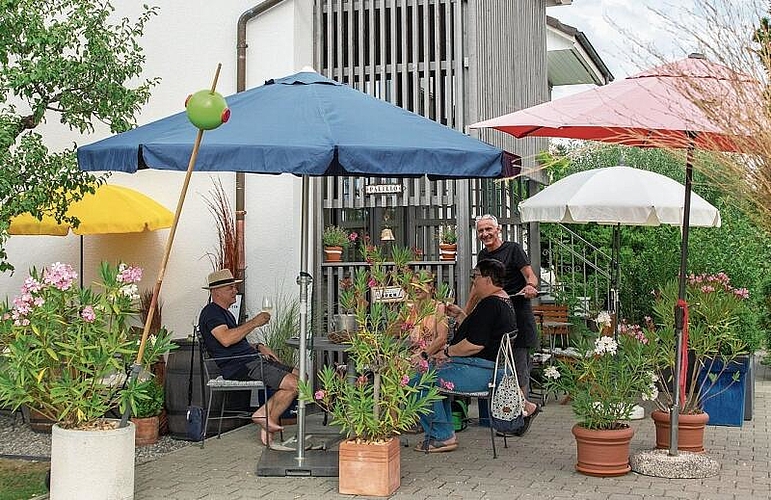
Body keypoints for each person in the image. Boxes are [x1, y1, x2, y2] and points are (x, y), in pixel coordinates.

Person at [412, 259, 516, 453]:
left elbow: (474, 345)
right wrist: (460, 315)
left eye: (475, 276)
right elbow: (482, 332)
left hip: (482, 370)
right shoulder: (502, 300)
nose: (473, 282)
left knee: (418, 380)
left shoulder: (490, 305)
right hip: (488, 367)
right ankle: (441, 432)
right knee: (431, 375)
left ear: (487, 278)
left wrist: (446, 352)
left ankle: (442, 437)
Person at [197, 269, 299, 446]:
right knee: (294, 384)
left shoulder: (225, 313)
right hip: (241, 366)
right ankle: (264, 416)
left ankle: (265, 417)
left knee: (301, 375)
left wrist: (259, 346)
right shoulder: (211, 313)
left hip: (251, 359)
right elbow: (226, 339)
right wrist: (254, 322)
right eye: (231, 288)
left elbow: (234, 341)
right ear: (216, 292)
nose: (235, 291)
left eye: (234, 287)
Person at [472, 213, 541, 434]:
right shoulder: (483, 256)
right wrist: (465, 311)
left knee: (519, 367)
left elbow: (531, 275)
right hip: (496, 321)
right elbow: (476, 288)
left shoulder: (513, 249)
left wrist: (530, 286)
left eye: (488, 229)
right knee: (502, 370)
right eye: (481, 231)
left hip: (518, 317)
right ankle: (514, 414)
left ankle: (519, 419)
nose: (485, 234)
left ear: (498, 229)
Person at [407, 271, 449, 364]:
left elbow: (442, 339)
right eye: (414, 285)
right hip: (413, 356)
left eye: (421, 284)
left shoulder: (439, 307)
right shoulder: (410, 308)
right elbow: (397, 332)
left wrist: (423, 356)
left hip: (433, 356)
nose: (416, 288)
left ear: (430, 286)